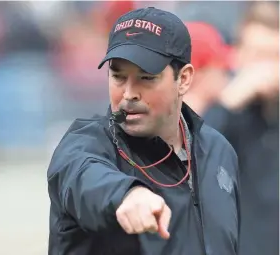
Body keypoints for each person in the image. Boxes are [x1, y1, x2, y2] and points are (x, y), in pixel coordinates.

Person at [47, 7, 240, 255]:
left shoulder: (219, 150)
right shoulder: (83, 144)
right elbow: (84, 174)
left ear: (183, 79)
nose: (129, 93)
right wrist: (128, 194)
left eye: (146, 77)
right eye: (118, 77)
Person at [203, 2, 279, 255]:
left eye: (274, 55)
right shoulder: (225, 112)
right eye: (258, 54)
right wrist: (230, 100)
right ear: (237, 54)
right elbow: (192, 161)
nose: (266, 68)